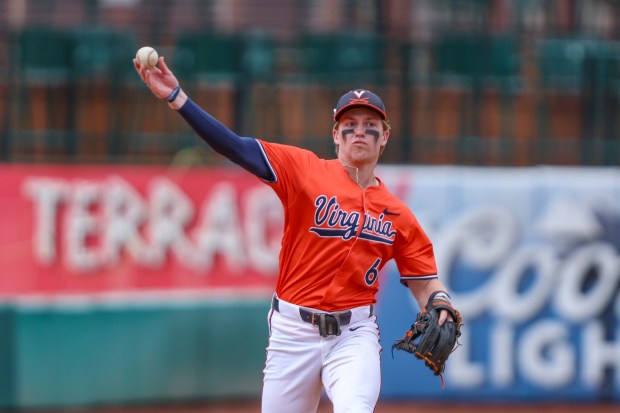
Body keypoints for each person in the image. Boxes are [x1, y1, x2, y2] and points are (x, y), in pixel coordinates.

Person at [134, 55, 456, 413]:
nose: (360, 131)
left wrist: (440, 301)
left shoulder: (398, 214)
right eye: (350, 124)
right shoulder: (303, 170)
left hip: (354, 336)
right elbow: (234, 146)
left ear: (385, 137)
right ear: (336, 135)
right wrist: (178, 97)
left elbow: (425, 283)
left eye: (370, 124)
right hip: (292, 333)